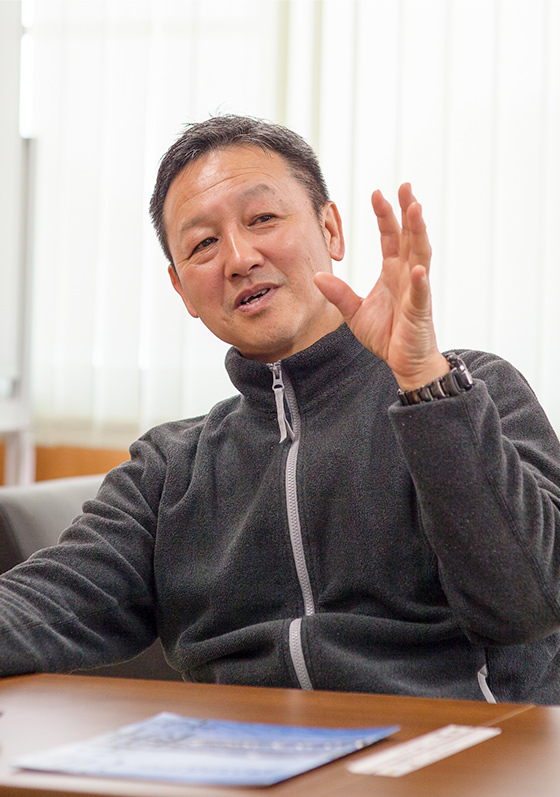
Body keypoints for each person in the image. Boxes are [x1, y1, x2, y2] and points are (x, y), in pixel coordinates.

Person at [2, 115, 560, 705]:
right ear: (182, 289)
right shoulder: (168, 469)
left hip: (456, 746)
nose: (239, 258)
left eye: (263, 218)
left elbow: (529, 604)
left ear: (331, 230)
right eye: (203, 244)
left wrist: (425, 383)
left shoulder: (469, 391)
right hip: (236, 750)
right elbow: (48, 603)